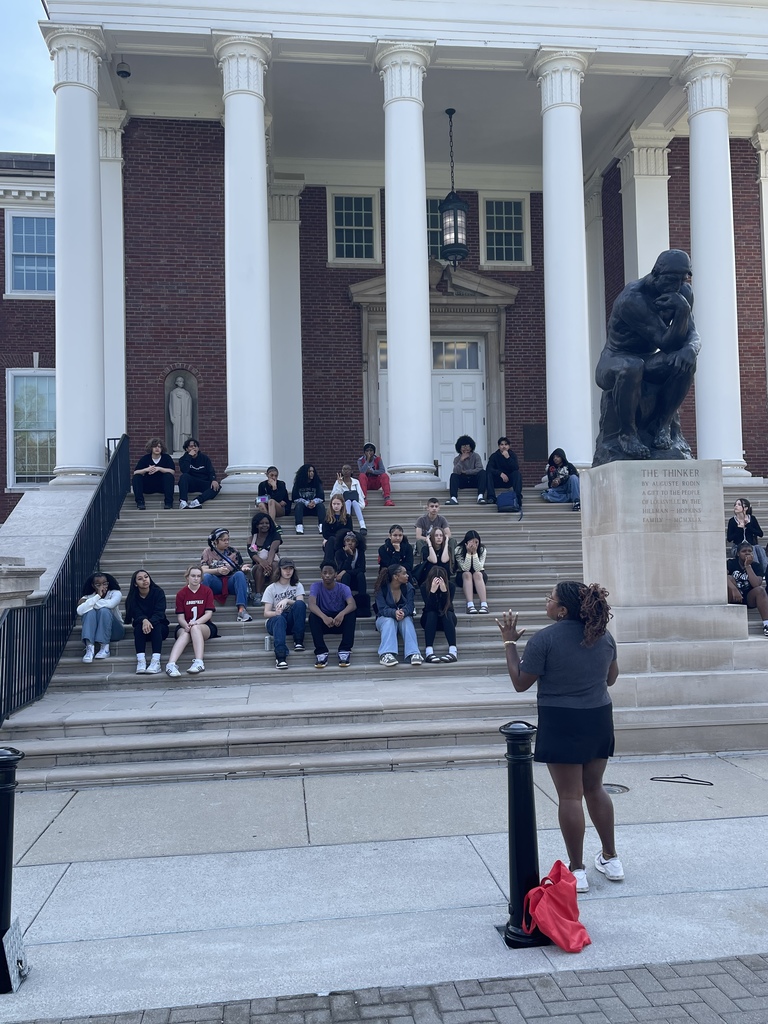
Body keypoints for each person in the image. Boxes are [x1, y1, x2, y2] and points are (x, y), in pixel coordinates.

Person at [496, 581, 623, 894]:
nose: (547, 602)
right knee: (595, 788)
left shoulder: (544, 639)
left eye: (550, 598)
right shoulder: (603, 636)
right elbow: (612, 677)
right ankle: (611, 858)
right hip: (598, 717)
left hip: (561, 718)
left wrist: (509, 644)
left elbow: (520, 683)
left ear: (562, 609)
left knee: (570, 795)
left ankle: (577, 870)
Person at [594, 248, 700, 461]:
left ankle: (664, 425)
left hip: (648, 361)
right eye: (672, 279)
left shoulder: (683, 294)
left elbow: (691, 334)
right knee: (632, 366)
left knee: (686, 362)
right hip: (614, 360)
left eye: (682, 279)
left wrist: (691, 349)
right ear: (655, 273)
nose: (677, 286)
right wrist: (681, 311)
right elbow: (665, 342)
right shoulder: (633, 298)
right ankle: (627, 434)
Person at [166, 565, 218, 676]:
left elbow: (208, 614)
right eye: (193, 576)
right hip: (185, 624)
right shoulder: (181, 593)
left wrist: (196, 622)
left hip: (204, 625)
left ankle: (199, 662)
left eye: (198, 576)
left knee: (195, 628)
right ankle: (171, 664)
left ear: (201, 578)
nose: (196, 578)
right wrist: (186, 625)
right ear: (187, 577)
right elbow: (180, 617)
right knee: (185, 634)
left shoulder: (207, 591)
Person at [307, 563, 357, 668]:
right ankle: (321, 652)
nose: (327, 575)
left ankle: (344, 650)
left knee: (351, 613)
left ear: (336, 574)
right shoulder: (315, 586)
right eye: (325, 573)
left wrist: (342, 614)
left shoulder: (344, 588)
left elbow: (352, 604)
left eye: (330, 573)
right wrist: (324, 617)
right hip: (324, 622)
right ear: (321, 574)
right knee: (313, 616)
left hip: (339, 622)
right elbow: (311, 604)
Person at [374, 564, 423, 666]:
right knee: (389, 620)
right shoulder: (381, 588)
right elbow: (382, 609)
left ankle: (414, 653)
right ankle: (386, 654)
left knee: (406, 620)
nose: (407, 576)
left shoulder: (408, 587)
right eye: (404, 573)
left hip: (402, 617)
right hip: (384, 618)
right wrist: (394, 613)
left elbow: (410, 606)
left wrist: (403, 612)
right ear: (395, 577)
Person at [201, 528, 253, 622]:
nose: (227, 542)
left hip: (230, 581)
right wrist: (218, 570)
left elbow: (239, 567)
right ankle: (204, 610)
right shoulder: (207, 552)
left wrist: (244, 568)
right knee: (206, 577)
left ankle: (241, 610)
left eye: (228, 539)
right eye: (223, 540)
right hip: (216, 582)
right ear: (215, 541)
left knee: (240, 574)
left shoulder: (234, 551)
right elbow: (203, 570)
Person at [262, 559, 306, 670]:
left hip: (291, 620)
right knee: (279, 619)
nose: (288, 571)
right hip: (275, 622)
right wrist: (276, 613)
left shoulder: (297, 585)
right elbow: (266, 613)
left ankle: (298, 641)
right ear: (279, 570)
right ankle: (280, 657)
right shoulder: (271, 588)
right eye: (285, 568)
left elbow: (300, 604)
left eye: (291, 568)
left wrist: (287, 600)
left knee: (300, 604)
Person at [124, 569, 169, 674]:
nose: (144, 580)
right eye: (140, 579)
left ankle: (156, 661)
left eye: (146, 577)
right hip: (142, 630)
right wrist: (144, 620)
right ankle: (141, 661)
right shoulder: (132, 597)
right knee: (139, 626)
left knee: (156, 625)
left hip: (160, 630)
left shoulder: (158, 592)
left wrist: (149, 622)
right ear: (135, 584)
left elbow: (159, 613)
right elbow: (136, 614)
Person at [77, 572, 125, 663]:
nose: (102, 587)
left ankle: (105, 647)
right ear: (93, 585)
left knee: (104, 610)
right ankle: (89, 648)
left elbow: (110, 604)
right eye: (98, 584)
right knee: (89, 612)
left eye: (105, 583)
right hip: (94, 633)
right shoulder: (88, 596)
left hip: (115, 631)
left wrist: (89, 603)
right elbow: (79, 611)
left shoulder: (115, 593)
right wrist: (97, 596)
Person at [727, 542, 768, 637]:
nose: (747, 553)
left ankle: (766, 625)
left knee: (760, 590)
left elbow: (756, 584)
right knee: (729, 578)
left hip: (748, 597)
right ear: (738, 553)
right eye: (744, 551)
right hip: (732, 596)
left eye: (749, 551)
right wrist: (734, 589)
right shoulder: (731, 563)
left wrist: (748, 566)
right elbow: (722, 576)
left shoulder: (756, 566)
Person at [421, 565, 458, 663]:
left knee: (446, 613)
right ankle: (429, 652)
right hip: (429, 619)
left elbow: (448, 607)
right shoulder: (424, 586)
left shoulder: (451, 586)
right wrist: (432, 592)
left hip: (446, 620)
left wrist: (444, 592)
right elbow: (429, 608)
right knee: (432, 614)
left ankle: (453, 652)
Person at [132, 438, 176, 510]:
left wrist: (159, 469)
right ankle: (140, 503)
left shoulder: (166, 458)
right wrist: (146, 469)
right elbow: (135, 472)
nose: (157, 448)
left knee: (169, 476)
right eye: (155, 446)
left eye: (159, 446)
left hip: (162, 486)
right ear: (151, 448)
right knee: (136, 477)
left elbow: (172, 471)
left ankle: (168, 503)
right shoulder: (145, 458)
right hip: (148, 486)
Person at [249, 511, 282, 601]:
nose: (265, 525)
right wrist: (262, 563)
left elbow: (273, 549)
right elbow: (252, 554)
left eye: (267, 523)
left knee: (275, 565)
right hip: (258, 567)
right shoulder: (252, 538)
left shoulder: (275, 535)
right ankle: (258, 595)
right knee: (259, 567)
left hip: (272, 564)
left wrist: (268, 565)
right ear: (256, 525)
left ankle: (273, 594)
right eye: (261, 523)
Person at [178, 439, 220, 509]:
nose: (194, 448)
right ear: (186, 449)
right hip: (191, 483)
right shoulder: (183, 459)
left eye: (195, 446)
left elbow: (211, 470)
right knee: (184, 476)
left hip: (203, 482)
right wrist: (189, 456)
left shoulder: (204, 458)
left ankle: (197, 501)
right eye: (191, 446)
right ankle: (183, 502)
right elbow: (185, 470)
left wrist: (213, 479)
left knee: (217, 486)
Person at [334, 531, 369, 613]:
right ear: (344, 542)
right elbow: (341, 570)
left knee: (360, 575)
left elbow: (362, 569)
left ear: (356, 544)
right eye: (348, 541)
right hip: (346, 580)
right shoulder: (339, 553)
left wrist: (345, 571)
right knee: (346, 576)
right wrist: (349, 556)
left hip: (357, 579)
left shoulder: (360, 552)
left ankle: (362, 606)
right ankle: (345, 604)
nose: (350, 543)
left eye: (353, 541)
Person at [418, 526, 456, 600]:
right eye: (436, 535)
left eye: (441, 535)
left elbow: (444, 560)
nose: (439, 537)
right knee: (432, 563)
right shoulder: (425, 549)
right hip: (429, 579)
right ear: (431, 537)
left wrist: (446, 543)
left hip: (444, 579)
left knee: (444, 564)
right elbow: (434, 560)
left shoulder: (447, 549)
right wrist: (429, 543)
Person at [447, 435, 487, 505]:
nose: (465, 448)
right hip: (463, 481)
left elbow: (479, 468)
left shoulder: (476, 456)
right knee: (453, 476)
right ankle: (453, 498)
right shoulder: (457, 459)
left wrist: (466, 472)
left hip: (474, 480)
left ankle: (480, 496)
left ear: (471, 447)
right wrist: (461, 460)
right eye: (463, 446)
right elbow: (456, 471)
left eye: (467, 446)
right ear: (459, 448)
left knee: (483, 473)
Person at [455, 530, 488, 614]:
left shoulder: (482, 549)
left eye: (476, 542)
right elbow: (465, 568)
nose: (474, 545)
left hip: (479, 576)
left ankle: (484, 605)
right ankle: (470, 605)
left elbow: (478, 568)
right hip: (463, 576)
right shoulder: (459, 549)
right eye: (471, 542)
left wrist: (475, 553)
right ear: (466, 542)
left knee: (477, 574)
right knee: (467, 574)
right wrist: (469, 553)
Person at [485, 437, 523, 509]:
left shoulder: (512, 455)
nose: (504, 446)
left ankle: (517, 496)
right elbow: (489, 468)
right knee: (488, 474)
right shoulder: (494, 456)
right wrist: (500, 473)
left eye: (506, 444)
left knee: (517, 474)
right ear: (499, 446)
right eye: (502, 445)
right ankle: (491, 497)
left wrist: (508, 458)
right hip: (498, 480)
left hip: (509, 480)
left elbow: (516, 468)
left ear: (509, 446)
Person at [331, 464, 367, 532]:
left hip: (355, 507)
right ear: (342, 471)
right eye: (344, 469)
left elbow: (360, 495)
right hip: (344, 508)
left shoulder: (356, 482)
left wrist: (361, 506)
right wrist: (340, 484)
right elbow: (333, 496)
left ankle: (363, 526)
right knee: (348, 501)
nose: (346, 471)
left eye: (348, 469)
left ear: (351, 471)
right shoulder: (338, 482)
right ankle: (347, 524)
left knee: (354, 502)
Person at [291, 464, 325, 535]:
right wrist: (306, 503)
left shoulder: (317, 483)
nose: (312, 473)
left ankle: (322, 525)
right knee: (299, 505)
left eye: (313, 471)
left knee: (321, 505)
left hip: (314, 508)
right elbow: (295, 498)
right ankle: (299, 526)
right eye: (309, 471)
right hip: (303, 509)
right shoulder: (298, 484)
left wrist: (314, 502)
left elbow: (321, 497)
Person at [168, 376, 193, 453]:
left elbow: (190, 402)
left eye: (182, 381)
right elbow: (171, 405)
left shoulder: (186, 393)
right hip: (177, 416)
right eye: (179, 381)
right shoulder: (173, 393)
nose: (181, 383)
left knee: (184, 433)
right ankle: (177, 449)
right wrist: (172, 416)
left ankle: (185, 448)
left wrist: (184, 397)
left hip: (185, 416)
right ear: (176, 382)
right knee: (177, 431)